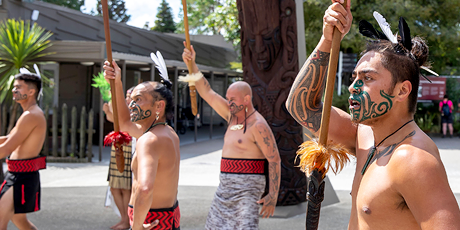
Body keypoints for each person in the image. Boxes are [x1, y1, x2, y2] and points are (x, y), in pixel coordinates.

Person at [286, 0, 460, 229]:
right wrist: (328, 40)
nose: (352, 87)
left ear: (402, 90)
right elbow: (301, 106)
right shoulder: (365, 135)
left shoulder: (413, 160)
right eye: (354, 78)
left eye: (367, 78)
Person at [181, 42, 281, 230]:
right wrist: (192, 64)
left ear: (246, 99)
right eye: (228, 99)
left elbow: (274, 159)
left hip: (248, 191)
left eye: (232, 100)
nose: (229, 103)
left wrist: (273, 195)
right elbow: (207, 91)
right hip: (224, 190)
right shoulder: (231, 115)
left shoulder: (258, 125)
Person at [104, 60, 180, 230]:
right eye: (131, 100)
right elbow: (123, 122)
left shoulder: (149, 140)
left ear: (159, 106)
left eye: (138, 100)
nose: (131, 105)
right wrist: (116, 82)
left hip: (149, 222)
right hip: (166, 220)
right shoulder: (167, 132)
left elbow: (145, 188)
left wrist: (137, 226)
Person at [0, 73, 47, 230]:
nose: (14, 90)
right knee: (21, 222)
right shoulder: (28, 114)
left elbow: (6, 149)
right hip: (18, 175)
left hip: (21, 177)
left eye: (18, 87)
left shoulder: (31, 115)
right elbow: (8, 139)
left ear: (32, 91)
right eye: (14, 87)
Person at [103, 86, 135, 230]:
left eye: (130, 96)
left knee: (126, 187)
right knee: (115, 186)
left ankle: (128, 220)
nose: (128, 99)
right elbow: (113, 119)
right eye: (127, 96)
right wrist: (107, 110)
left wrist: (110, 108)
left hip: (129, 147)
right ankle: (123, 218)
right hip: (118, 146)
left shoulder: (135, 111)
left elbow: (121, 121)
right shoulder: (124, 109)